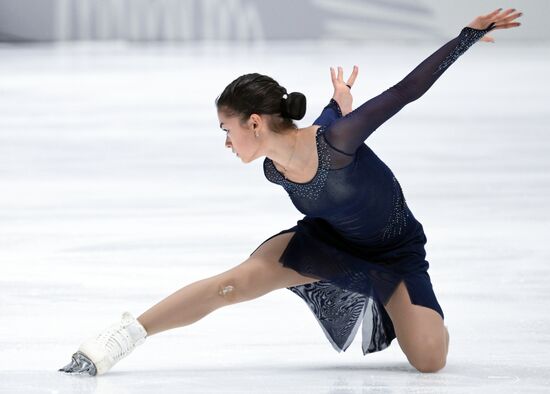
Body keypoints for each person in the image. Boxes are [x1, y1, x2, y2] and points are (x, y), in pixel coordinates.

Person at [59, 8, 522, 376]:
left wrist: (468, 36)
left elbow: (405, 91)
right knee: (232, 284)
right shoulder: (274, 167)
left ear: (254, 123)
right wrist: (337, 99)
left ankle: (392, 300)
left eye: (227, 129)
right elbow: (327, 114)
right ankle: (126, 335)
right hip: (326, 244)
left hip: (393, 252)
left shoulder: (338, 142)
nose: (225, 141)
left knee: (429, 360)